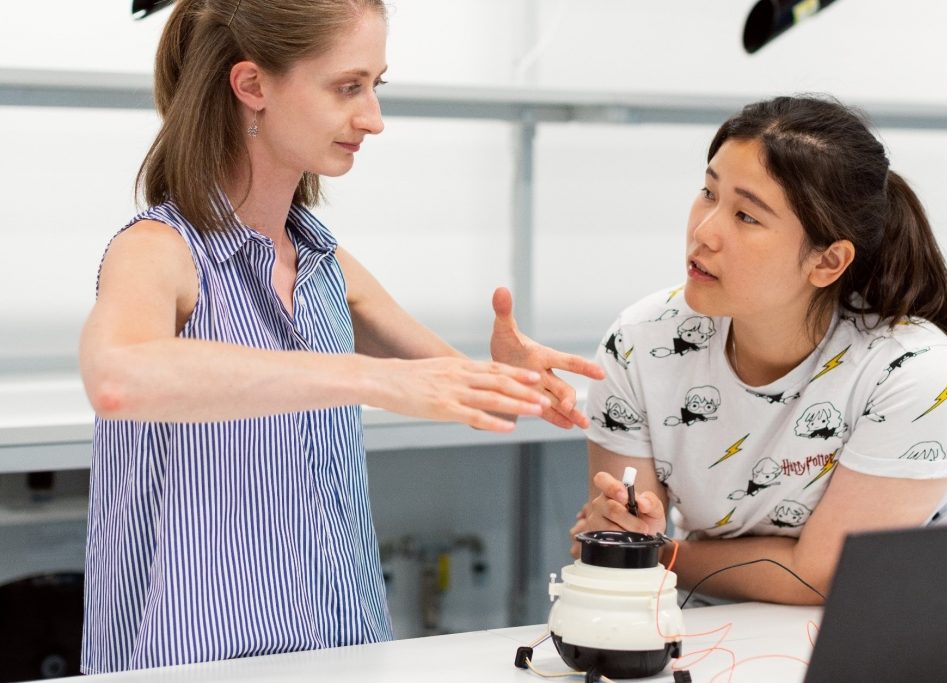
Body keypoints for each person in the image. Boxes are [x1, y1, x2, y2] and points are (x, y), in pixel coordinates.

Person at [78, 0, 602, 673]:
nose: (373, 119)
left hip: (343, 652)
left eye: (375, 87)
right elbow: (119, 378)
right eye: (346, 87)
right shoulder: (159, 250)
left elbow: (466, 396)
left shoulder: (323, 261)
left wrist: (516, 382)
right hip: (194, 664)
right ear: (252, 86)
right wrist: (366, 375)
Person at [574, 95, 947, 606]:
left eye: (746, 215)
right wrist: (626, 537)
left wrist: (663, 554)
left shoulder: (910, 372)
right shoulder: (642, 340)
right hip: (691, 630)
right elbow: (621, 544)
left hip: (850, 640)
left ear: (828, 260)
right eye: (708, 192)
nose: (704, 231)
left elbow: (823, 576)